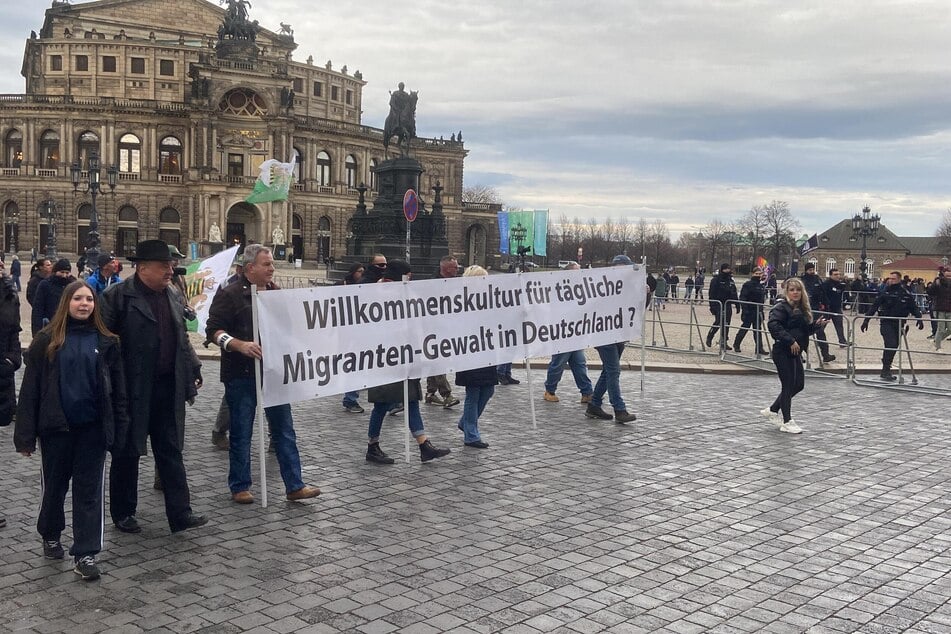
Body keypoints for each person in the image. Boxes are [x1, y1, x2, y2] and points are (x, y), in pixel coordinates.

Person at [14, 280, 129, 580]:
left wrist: (119, 430)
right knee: (54, 488)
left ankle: (86, 552)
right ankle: (50, 532)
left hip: (92, 429)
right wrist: (25, 435)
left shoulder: (107, 342)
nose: (84, 304)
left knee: (89, 492)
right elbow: (30, 390)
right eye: (77, 298)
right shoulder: (46, 340)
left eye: (89, 299)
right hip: (56, 429)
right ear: (67, 303)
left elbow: (118, 393)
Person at [101, 240, 207, 533]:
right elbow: (104, 344)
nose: (170, 271)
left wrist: (193, 368)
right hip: (131, 390)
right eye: (164, 266)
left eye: (171, 266)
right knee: (127, 451)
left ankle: (180, 513)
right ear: (143, 267)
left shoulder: (172, 294)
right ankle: (123, 512)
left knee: (170, 451)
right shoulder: (117, 296)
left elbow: (181, 340)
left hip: (166, 386)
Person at [206, 244, 321, 504]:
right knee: (241, 431)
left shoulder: (277, 294)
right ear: (250, 268)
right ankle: (240, 485)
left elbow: (288, 329)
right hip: (241, 374)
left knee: (284, 430)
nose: (272, 269)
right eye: (266, 264)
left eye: (272, 264)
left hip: (273, 374)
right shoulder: (230, 294)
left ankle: (294, 484)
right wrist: (238, 344)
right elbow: (213, 330)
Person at [363, 259, 452, 464]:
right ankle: (372, 446)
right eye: (408, 276)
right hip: (385, 358)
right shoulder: (379, 293)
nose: (410, 279)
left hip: (405, 357)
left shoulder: (401, 293)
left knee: (411, 400)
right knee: (382, 403)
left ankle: (423, 444)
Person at [761, 278, 830, 434]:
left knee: (799, 385)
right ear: (787, 292)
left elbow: (803, 330)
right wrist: (790, 340)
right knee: (788, 386)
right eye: (792, 290)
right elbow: (773, 325)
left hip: (796, 351)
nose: (795, 293)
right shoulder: (781, 307)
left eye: (798, 290)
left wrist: (817, 326)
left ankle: (773, 409)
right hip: (783, 350)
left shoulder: (802, 308)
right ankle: (787, 421)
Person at [584, 255, 636, 424]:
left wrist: (645, 294)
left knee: (608, 371)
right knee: (614, 371)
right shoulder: (603, 285)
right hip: (604, 335)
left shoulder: (627, 286)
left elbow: (636, 309)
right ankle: (619, 409)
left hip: (618, 335)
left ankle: (594, 405)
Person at [453, 265, 497, 449]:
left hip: (486, 350)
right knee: (474, 392)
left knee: (488, 390)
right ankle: (471, 434)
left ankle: (466, 422)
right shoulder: (461, 301)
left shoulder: (490, 300)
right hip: (469, 351)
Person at [543, 262, 593, 403]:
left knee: (579, 363)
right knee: (559, 363)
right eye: (577, 271)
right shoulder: (559, 289)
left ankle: (587, 392)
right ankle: (550, 390)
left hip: (575, 333)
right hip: (562, 333)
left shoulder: (580, 289)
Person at [861, 271, 924, 380]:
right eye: (889, 278)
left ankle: (886, 368)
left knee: (894, 346)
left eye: (893, 279)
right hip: (887, 322)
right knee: (890, 344)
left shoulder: (905, 293)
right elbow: (874, 306)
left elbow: (913, 307)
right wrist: (866, 320)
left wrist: (919, 318)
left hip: (899, 323)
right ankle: (885, 369)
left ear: (899, 280)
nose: (890, 280)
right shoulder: (885, 292)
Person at [426, 255, 461, 407]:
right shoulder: (432, 284)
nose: (458, 269)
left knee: (436, 361)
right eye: (455, 267)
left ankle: (430, 393)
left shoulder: (457, 282)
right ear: (447, 269)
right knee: (439, 360)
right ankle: (447, 395)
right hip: (434, 328)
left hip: (449, 326)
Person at [337, 262, 367, 413]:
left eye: (363, 271)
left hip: (362, 331)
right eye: (359, 271)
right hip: (347, 332)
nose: (361, 274)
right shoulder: (342, 285)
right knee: (354, 365)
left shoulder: (368, 285)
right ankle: (350, 399)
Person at [800, 263, 834, 363]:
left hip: (815, 308)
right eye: (810, 270)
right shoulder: (802, 280)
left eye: (813, 269)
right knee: (802, 332)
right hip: (804, 309)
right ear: (806, 270)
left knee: (820, 332)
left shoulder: (817, 279)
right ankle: (799, 354)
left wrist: (827, 305)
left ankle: (825, 354)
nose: (812, 271)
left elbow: (823, 293)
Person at [32, 259, 76, 336]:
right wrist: (36, 332)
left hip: (69, 327)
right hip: (50, 326)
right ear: (55, 272)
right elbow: (37, 309)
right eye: (62, 272)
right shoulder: (45, 284)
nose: (64, 275)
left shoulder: (73, 285)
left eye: (67, 273)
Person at [732, 267, 767, 354]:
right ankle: (736, 344)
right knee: (744, 328)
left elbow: (762, 300)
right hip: (749, 310)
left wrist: (762, 312)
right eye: (756, 274)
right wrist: (745, 309)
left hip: (758, 311)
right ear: (752, 274)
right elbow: (743, 297)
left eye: (759, 274)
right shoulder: (748, 284)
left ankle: (759, 348)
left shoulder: (761, 286)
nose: (758, 275)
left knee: (758, 331)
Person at [706, 264, 738, 349]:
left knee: (726, 323)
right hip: (718, 304)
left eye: (729, 269)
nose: (728, 270)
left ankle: (723, 341)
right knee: (718, 321)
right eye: (726, 269)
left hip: (728, 304)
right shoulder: (716, 280)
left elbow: (734, 292)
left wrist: (737, 304)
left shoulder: (731, 280)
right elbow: (711, 293)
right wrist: (712, 306)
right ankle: (710, 336)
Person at [821, 267, 848, 348]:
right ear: (830, 275)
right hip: (827, 308)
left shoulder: (839, 284)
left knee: (839, 325)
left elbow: (841, 291)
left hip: (837, 308)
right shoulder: (826, 284)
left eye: (839, 274)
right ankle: (820, 341)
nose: (838, 276)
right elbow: (823, 295)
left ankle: (842, 341)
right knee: (822, 326)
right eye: (835, 274)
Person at [927, 268, 951, 352]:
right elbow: (930, 292)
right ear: (943, 274)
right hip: (939, 308)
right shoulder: (938, 282)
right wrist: (934, 285)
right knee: (941, 329)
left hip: (949, 309)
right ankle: (938, 347)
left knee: (950, 329)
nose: (949, 277)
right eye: (947, 275)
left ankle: (935, 341)